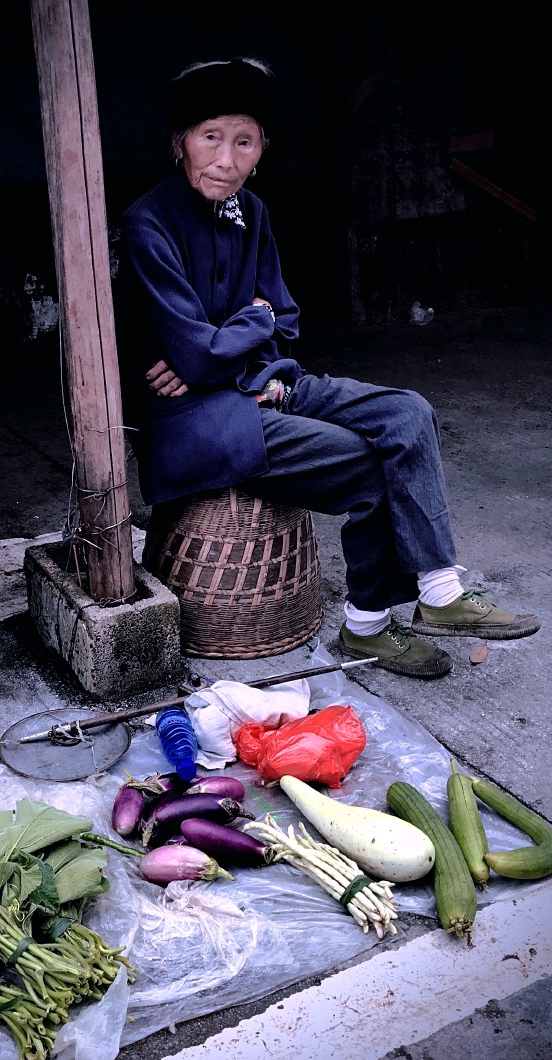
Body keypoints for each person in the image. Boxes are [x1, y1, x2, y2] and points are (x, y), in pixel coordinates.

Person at [114, 57, 539, 679]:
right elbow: (198, 354)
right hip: (197, 420)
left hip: (268, 383)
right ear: (179, 143)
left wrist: (244, 342)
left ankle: (441, 593)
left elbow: (284, 318)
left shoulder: (251, 212)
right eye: (211, 137)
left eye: (244, 141)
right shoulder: (148, 223)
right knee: (364, 463)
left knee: (407, 412)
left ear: (261, 152)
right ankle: (366, 626)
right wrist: (246, 327)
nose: (226, 160)